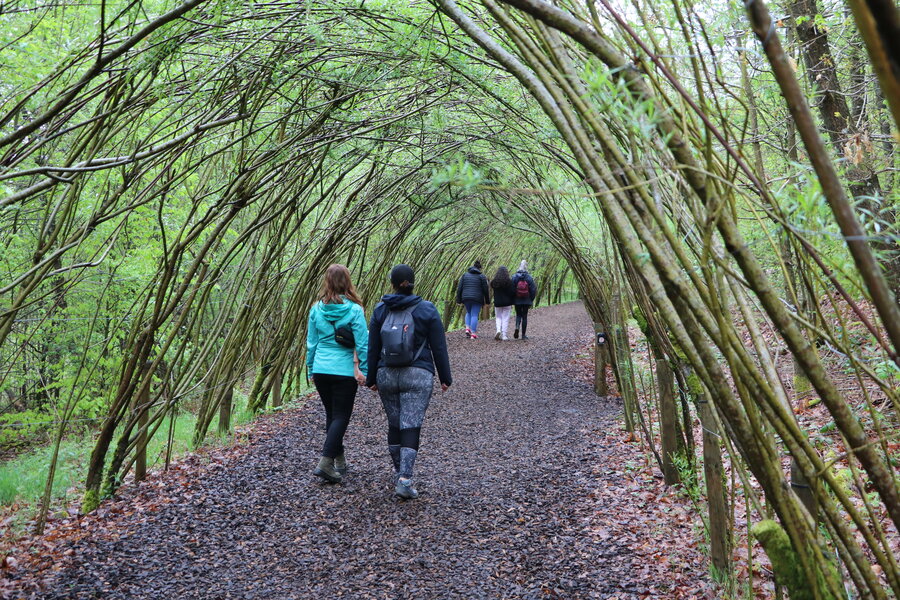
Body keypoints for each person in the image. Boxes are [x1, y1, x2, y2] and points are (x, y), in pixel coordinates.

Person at [367, 264, 452, 500]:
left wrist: (371, 378)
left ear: (392, 283)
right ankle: (405, 479)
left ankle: (398, 473)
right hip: (418, 374)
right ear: (413, 282)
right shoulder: (426, 309)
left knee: (395, 424)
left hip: (386, 374)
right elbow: (438, 346)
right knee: (411, 424)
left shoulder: (380, 310)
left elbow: (373, 347)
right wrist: (445, 377)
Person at [306, 264, 368, 484]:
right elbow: (362, 343)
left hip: (321, 369)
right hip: (342, 371)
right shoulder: (354, 310)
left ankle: (339, 462)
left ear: (327, 282)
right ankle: (325, 462)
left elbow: (311, 342)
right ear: (347, 282)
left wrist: (310, 368)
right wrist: (366, 370)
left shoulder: (315, 309)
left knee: (332, 416)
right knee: (341, 417)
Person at [455, 260, 489, 339]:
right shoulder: (482, 276)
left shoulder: (465, 275)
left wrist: (458, 300)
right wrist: (487, 301)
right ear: (479, 268)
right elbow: (485, 289)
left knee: (468, 312)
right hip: (477, 298)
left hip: (466, 297)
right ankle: (473, 333)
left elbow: (459, 288)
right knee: (474, 314)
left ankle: (467, 329)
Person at [511, 260, 537, 340]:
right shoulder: (529, 277)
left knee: (518, 314)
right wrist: (531, 299)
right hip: (526, 299)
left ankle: (517, 327)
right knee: (524, 316)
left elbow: (511, 289)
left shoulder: (514, 276)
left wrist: (513, 298)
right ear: (526, 266)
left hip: (517, 300)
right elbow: (533, 289)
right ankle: (523, 335)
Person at [490, 266, 515, 341]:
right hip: (507, 303)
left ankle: (498, 330)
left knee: (498, 317)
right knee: (505, 318)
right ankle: (504, 335)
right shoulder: (509, 282)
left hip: (498, 303)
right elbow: (512, 292)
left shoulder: (494, 282)